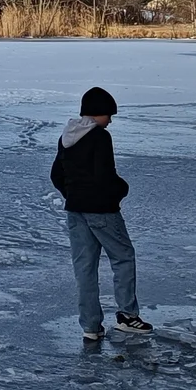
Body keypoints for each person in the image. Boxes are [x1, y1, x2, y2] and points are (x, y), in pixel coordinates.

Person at [51, 86, 153, 341]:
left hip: (75, 211)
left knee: (85, 269)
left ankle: (91, 327)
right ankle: (128, 316)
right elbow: (104, 176)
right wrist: (121, 190)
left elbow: (56, 175)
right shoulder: (99, 137)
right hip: (102, 211)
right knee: (123, 257)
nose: (110, 121)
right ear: (99, 113)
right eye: (109, 115)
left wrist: (73, 195)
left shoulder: (67, 136)